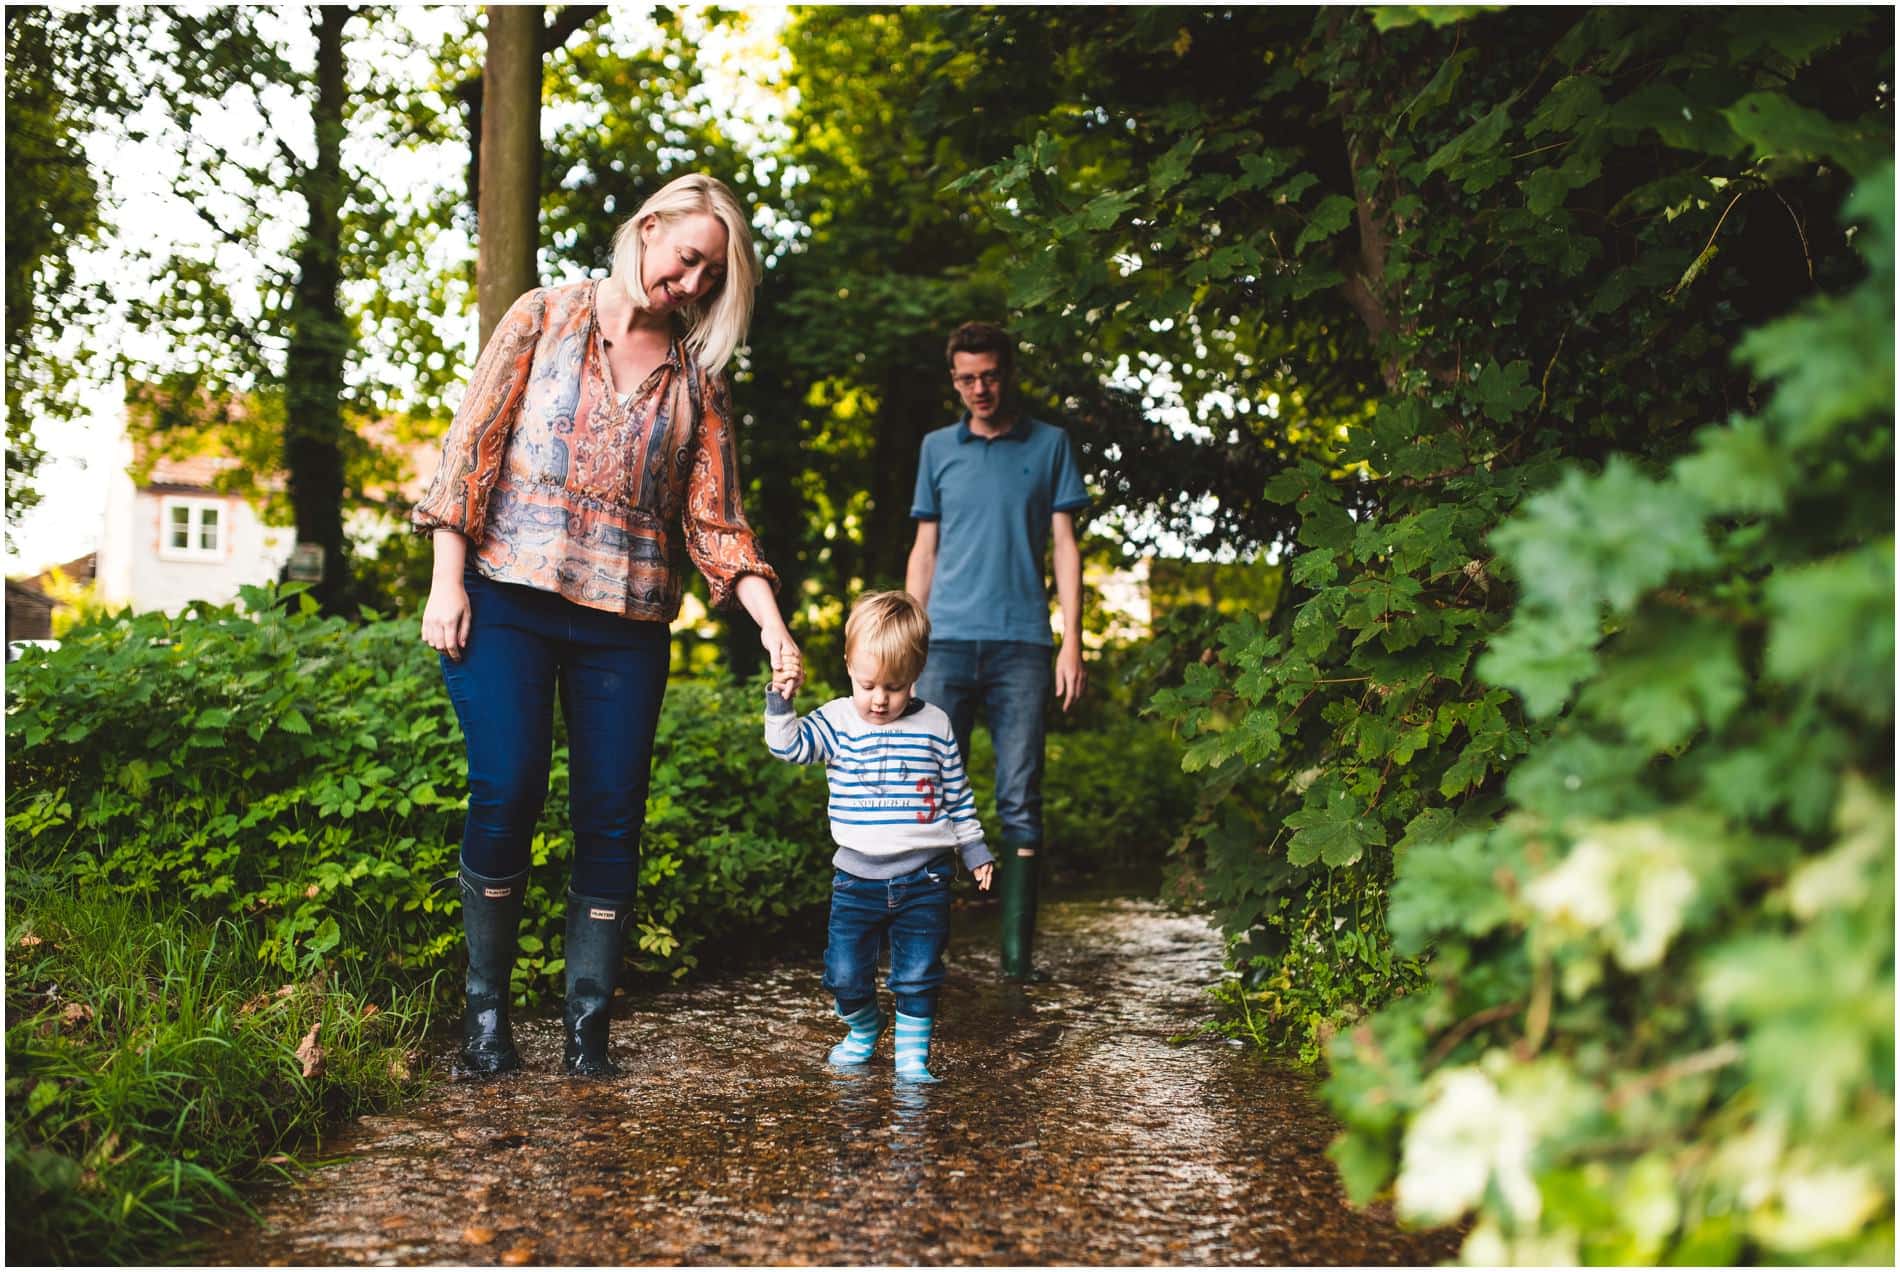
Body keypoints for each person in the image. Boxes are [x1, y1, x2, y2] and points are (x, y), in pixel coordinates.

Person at [412, 173, 804, 1078]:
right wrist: (447, 581)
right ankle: (487, 1015)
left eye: (713, 275)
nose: (696, 283)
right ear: (648, 228)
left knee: (611, 817)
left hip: (625, 623)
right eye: (690, 259)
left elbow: (717, 521)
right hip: (506, 596)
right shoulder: (541, 317)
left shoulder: (697, 381)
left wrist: (773, 628)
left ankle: (588, 1026)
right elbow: (468, 454)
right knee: (507, 787)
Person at [906, 321, 1088, 982]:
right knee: (929, 795)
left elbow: (1066, 545)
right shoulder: (936, 449)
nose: (979, 388)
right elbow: (924, 550)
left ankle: (1016, 965)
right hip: (944, 646)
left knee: (1018, 796)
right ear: (953, 380)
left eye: (990, 375)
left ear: (1008, 372)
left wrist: (1072, 642)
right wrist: (907, 640)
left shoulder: (1050, 446)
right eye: (966, 378)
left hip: (1023, 646)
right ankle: (927, 953)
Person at [763, 591, 995, 1082]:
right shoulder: (835, 719)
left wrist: (974, 849)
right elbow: (789, 748)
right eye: (868, 684)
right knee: (844, 974)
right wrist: (780, 701)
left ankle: (912, 1059)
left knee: (917, 974)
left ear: (917, 674)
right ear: (848, 664)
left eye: (896, 685)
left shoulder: (935, 725)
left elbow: (957, 791)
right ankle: (864, 1029)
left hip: (925, 876)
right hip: (856, 878)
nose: (880, 698)